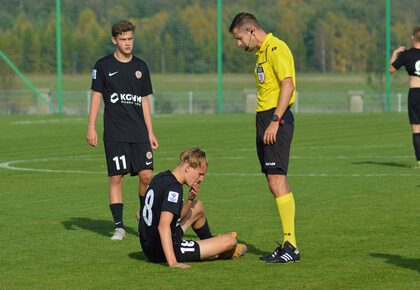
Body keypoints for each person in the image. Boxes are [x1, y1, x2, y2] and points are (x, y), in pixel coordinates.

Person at [229, 12, 300, 263]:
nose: (239, 44)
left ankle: (290, 246)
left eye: (239, 38)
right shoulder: (261, 54)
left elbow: (288, 85)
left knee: (276, 180)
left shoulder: (276, 48)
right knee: (275, 180)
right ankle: (290, 244)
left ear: (250, 31)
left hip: (275, 119)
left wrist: (275, 121)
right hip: (265, 118)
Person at [86, 20, 158, 240]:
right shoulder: (103, 66)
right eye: (123, 40)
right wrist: (91, 127)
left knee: (147, 176)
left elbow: (144, 101)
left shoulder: (141, 67)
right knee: (116, 177)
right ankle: (119, 227)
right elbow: (96, 97)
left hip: (138, 132)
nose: (128, 43)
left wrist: (150, 132)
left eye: (130, 39)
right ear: (114, 40)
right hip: (115, 133)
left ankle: (145, 216)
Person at [138, 147, 247, 268]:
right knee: (230, 241)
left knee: (197, 206)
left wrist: (190, 200)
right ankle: (217, 251)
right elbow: (163, 225)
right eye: (200, 174)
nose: (201, 179)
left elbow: (167, 215)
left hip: (150, 243)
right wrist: (173, 262)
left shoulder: (161, 176)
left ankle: (211, 242)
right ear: (188, 167)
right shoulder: (174, 189)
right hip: (162, 250)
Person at [390, 26, 420, 168]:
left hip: (415, 93)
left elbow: (391, 69)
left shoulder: (406, 55)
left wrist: (396, 52)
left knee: (416, 129)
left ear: (412, 37)